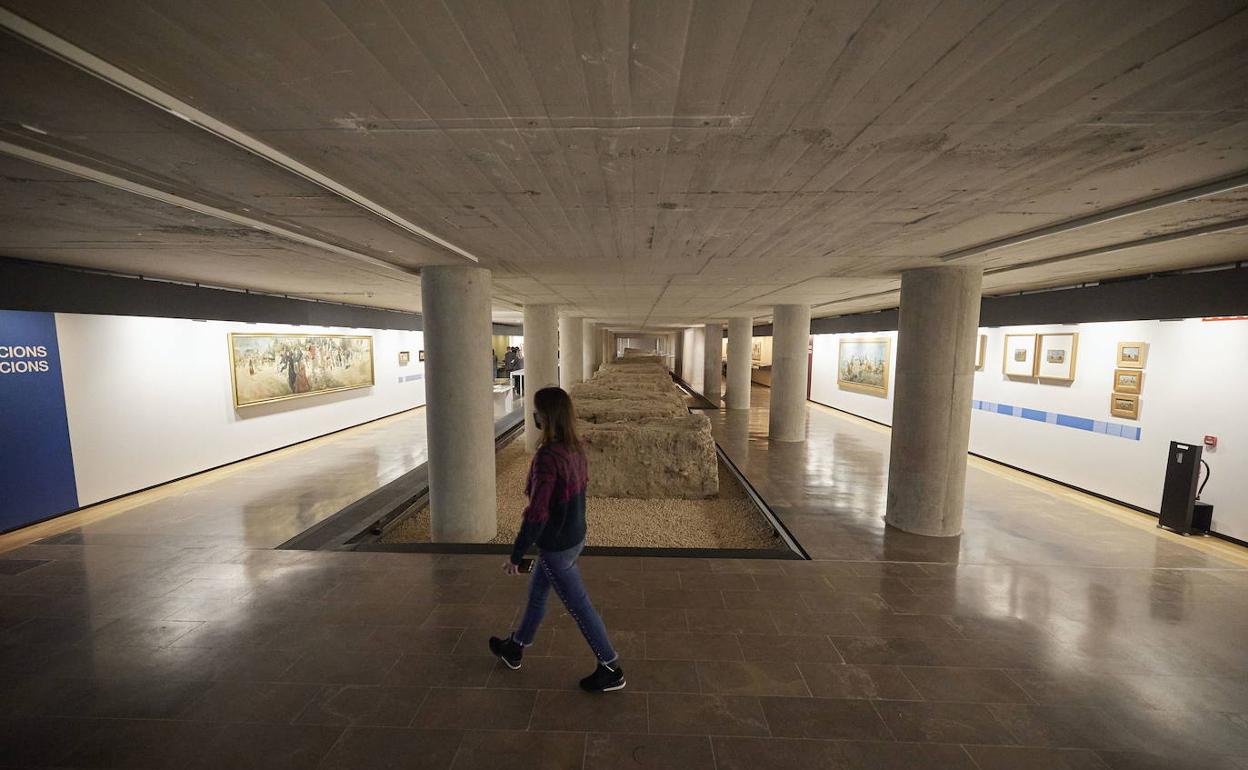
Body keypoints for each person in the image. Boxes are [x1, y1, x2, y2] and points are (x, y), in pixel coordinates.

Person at [489, 387, 624, 692]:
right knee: (537, 594)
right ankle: (516, 647)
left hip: (557, 547)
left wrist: (516, 554)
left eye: (537, 411)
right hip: (575, 536)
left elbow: (537, 513)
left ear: (545, 417)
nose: (533, 416)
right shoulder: (575, 447)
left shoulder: (548, 458)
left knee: (580, 607)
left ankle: (611, 666)